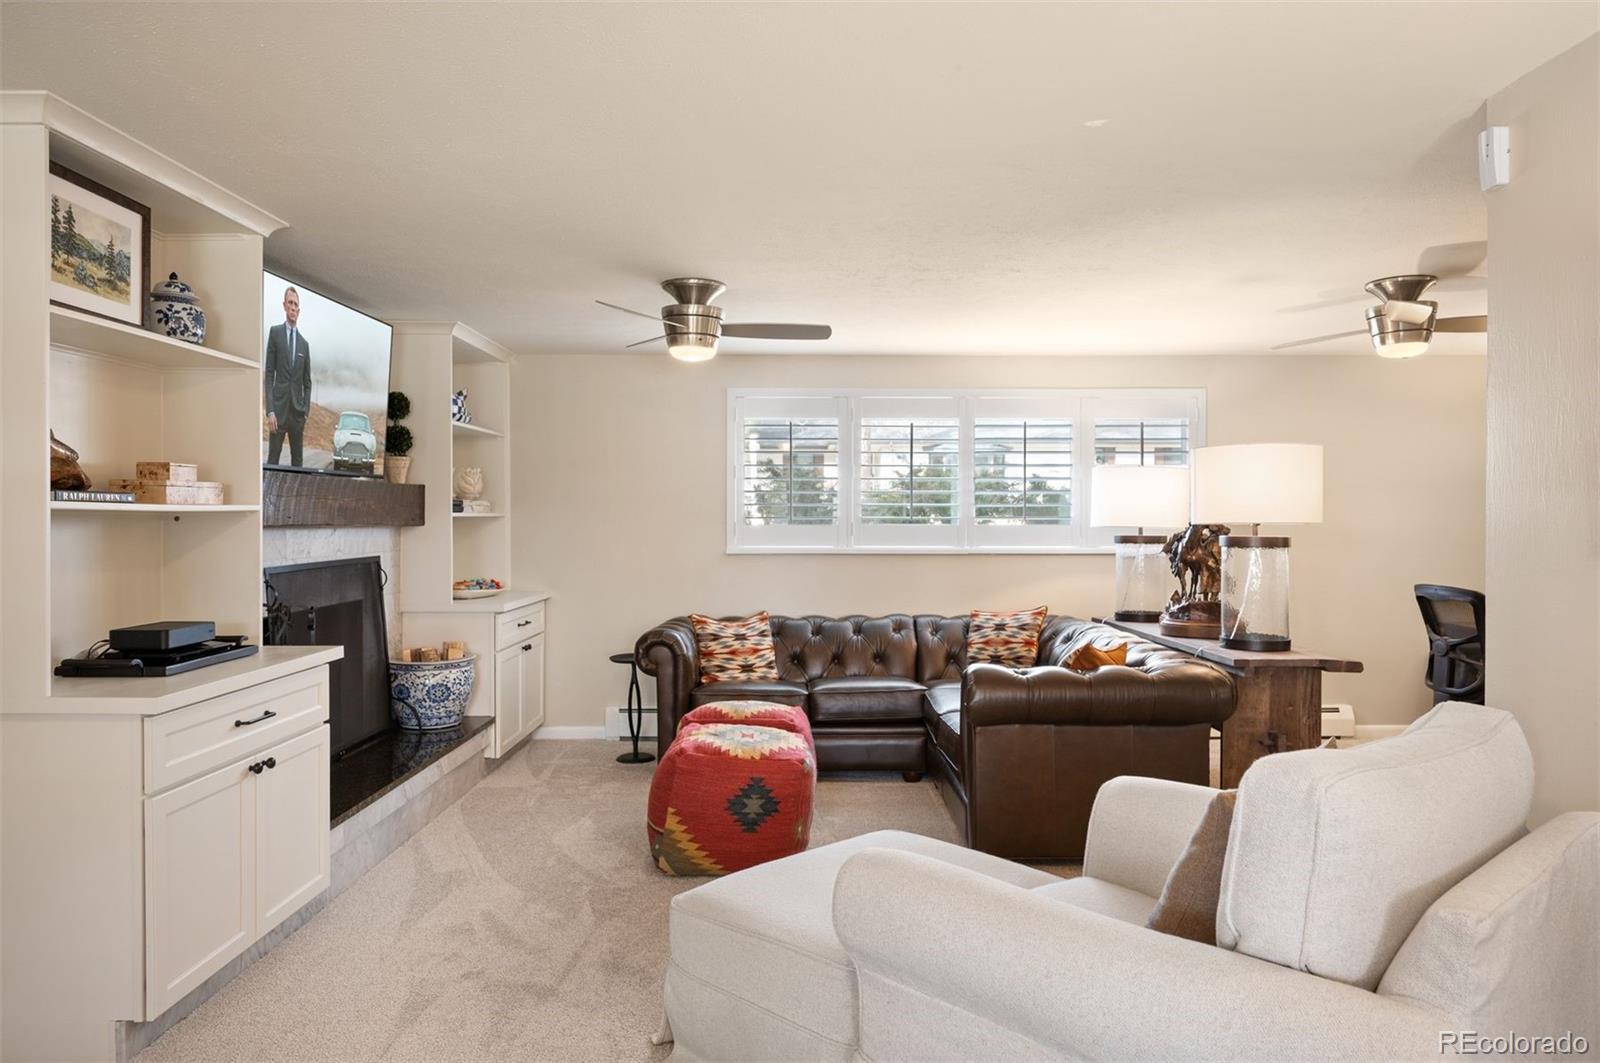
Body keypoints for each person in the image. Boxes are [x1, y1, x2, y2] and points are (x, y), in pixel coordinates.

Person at [264, 286, 311, 466]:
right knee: (273, 460)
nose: (293, 307)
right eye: (290, 303)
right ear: (284, 305)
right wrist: (270, 410)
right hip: (278, 412)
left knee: (297, 463)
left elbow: (307, 383)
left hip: (297, 415)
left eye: (296, 304)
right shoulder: (275, 333)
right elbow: (269, 373)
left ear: (299, 310)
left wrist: (305, 411)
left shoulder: (304, 345)